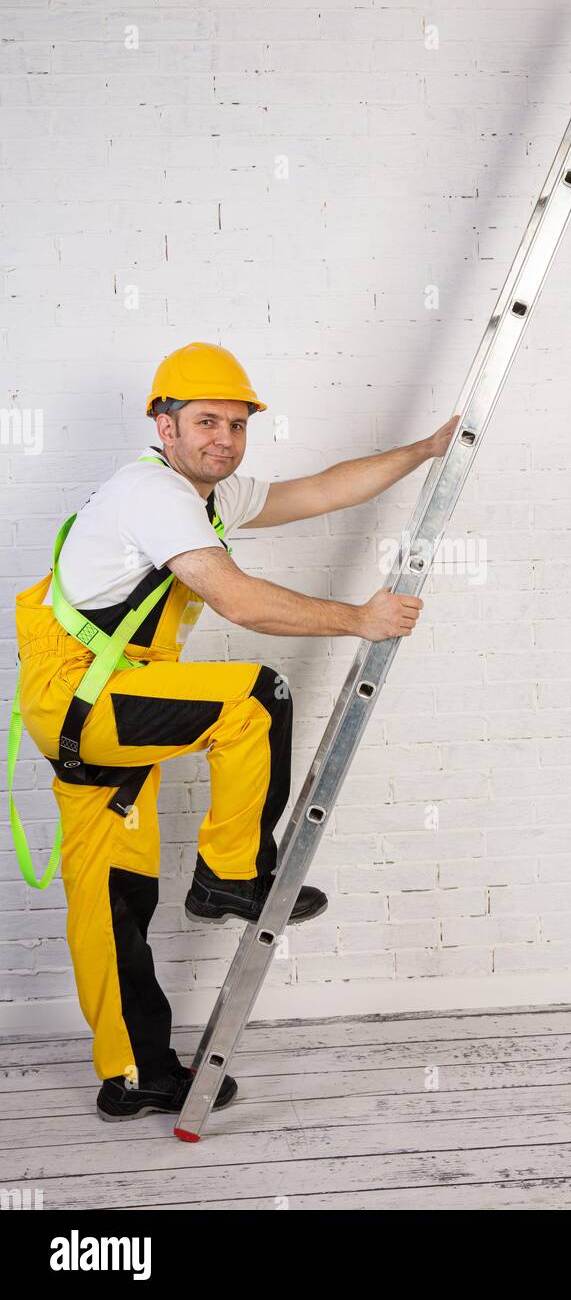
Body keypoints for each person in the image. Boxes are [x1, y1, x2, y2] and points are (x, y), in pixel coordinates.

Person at [13, 341, 458, 1121]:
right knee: (254, 696)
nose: (224, 437)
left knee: (111, 898)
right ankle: (230, 876)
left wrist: (423, 451)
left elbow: (319, 491)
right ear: (165, 424)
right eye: (206, 421)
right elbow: (239, 603)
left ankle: (135, 1073)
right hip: (89, 699)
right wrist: (362, 619)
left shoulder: (202, 494)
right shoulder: (154, 496)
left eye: (238, 424)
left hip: (93, 706)